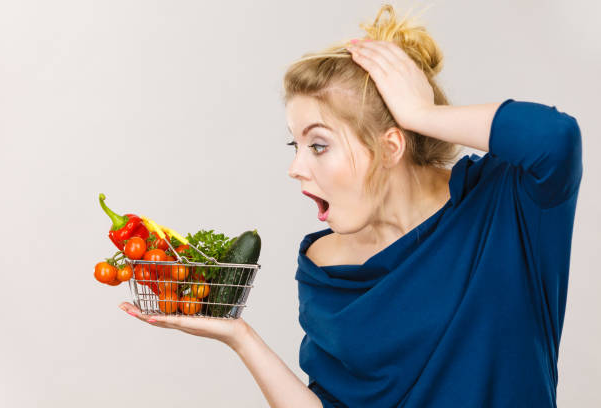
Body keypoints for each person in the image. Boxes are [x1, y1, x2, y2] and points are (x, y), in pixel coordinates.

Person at [119, 4, 583, 407]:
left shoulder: (505, 204)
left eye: (318, 145)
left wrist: (422, 114)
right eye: (294, 144)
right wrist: (238, 336)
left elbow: (556, 139)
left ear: (391, 146)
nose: (295, 167)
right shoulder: (323, 266)